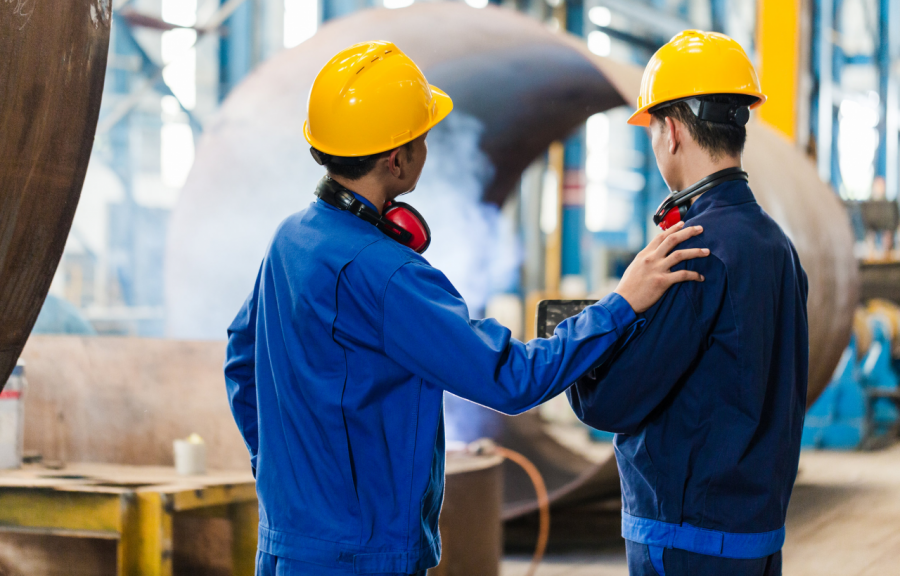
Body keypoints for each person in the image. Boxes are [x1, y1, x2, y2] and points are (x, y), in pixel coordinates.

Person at [224, 40, 708, 576]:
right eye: (422, 136)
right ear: (398, 158)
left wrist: (282, 481)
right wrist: (622, 304)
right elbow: (511, 378)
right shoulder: (388, 274)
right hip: (360, 557)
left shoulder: (290, 239)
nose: (426, 147)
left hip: (285, 544)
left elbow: (241, 362)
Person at [568, 30, 809, 576]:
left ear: (671, 131)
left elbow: (610, 403)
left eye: (652, 128)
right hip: (756, 534)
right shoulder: (777, 245)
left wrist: (586, 347)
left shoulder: (693, 252)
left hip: (687, 538)